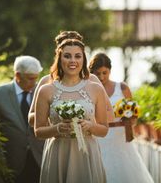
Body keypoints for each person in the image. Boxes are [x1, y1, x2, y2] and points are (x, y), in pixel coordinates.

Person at [34, 39, 108, 182]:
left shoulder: (96, 88)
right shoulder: (46, 90)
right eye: (67, 56)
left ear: (83, 59)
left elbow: (104, 130)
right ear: (59, 58)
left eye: (77, 56)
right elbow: (38, 131)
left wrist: (90, 126)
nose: (72, 60)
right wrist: (57, 128)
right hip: (58, 153)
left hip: (87, 153)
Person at [89, 52, 154, 183]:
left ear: (110, 71)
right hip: (99, 137)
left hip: (120, 139)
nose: (101, 77)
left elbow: (135, 116)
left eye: (104, 72)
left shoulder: (122, 88)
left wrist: (129, 120)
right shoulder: (90, 89)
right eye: (98, 73)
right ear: (92, 73)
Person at [28, 30, 113, 127]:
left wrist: (87, 120)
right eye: (67, 54)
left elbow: (110, 114)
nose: (72, 58)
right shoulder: (46, 81)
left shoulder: (92, 79)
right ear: (58, 53)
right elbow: (31, 119)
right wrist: (55, 114)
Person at [0, 55, 44, 183]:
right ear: (18, 75)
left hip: (40, 159)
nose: (34, 83)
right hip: (12, 162)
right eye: (30, 79)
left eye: (36, 78)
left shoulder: (41, 91)